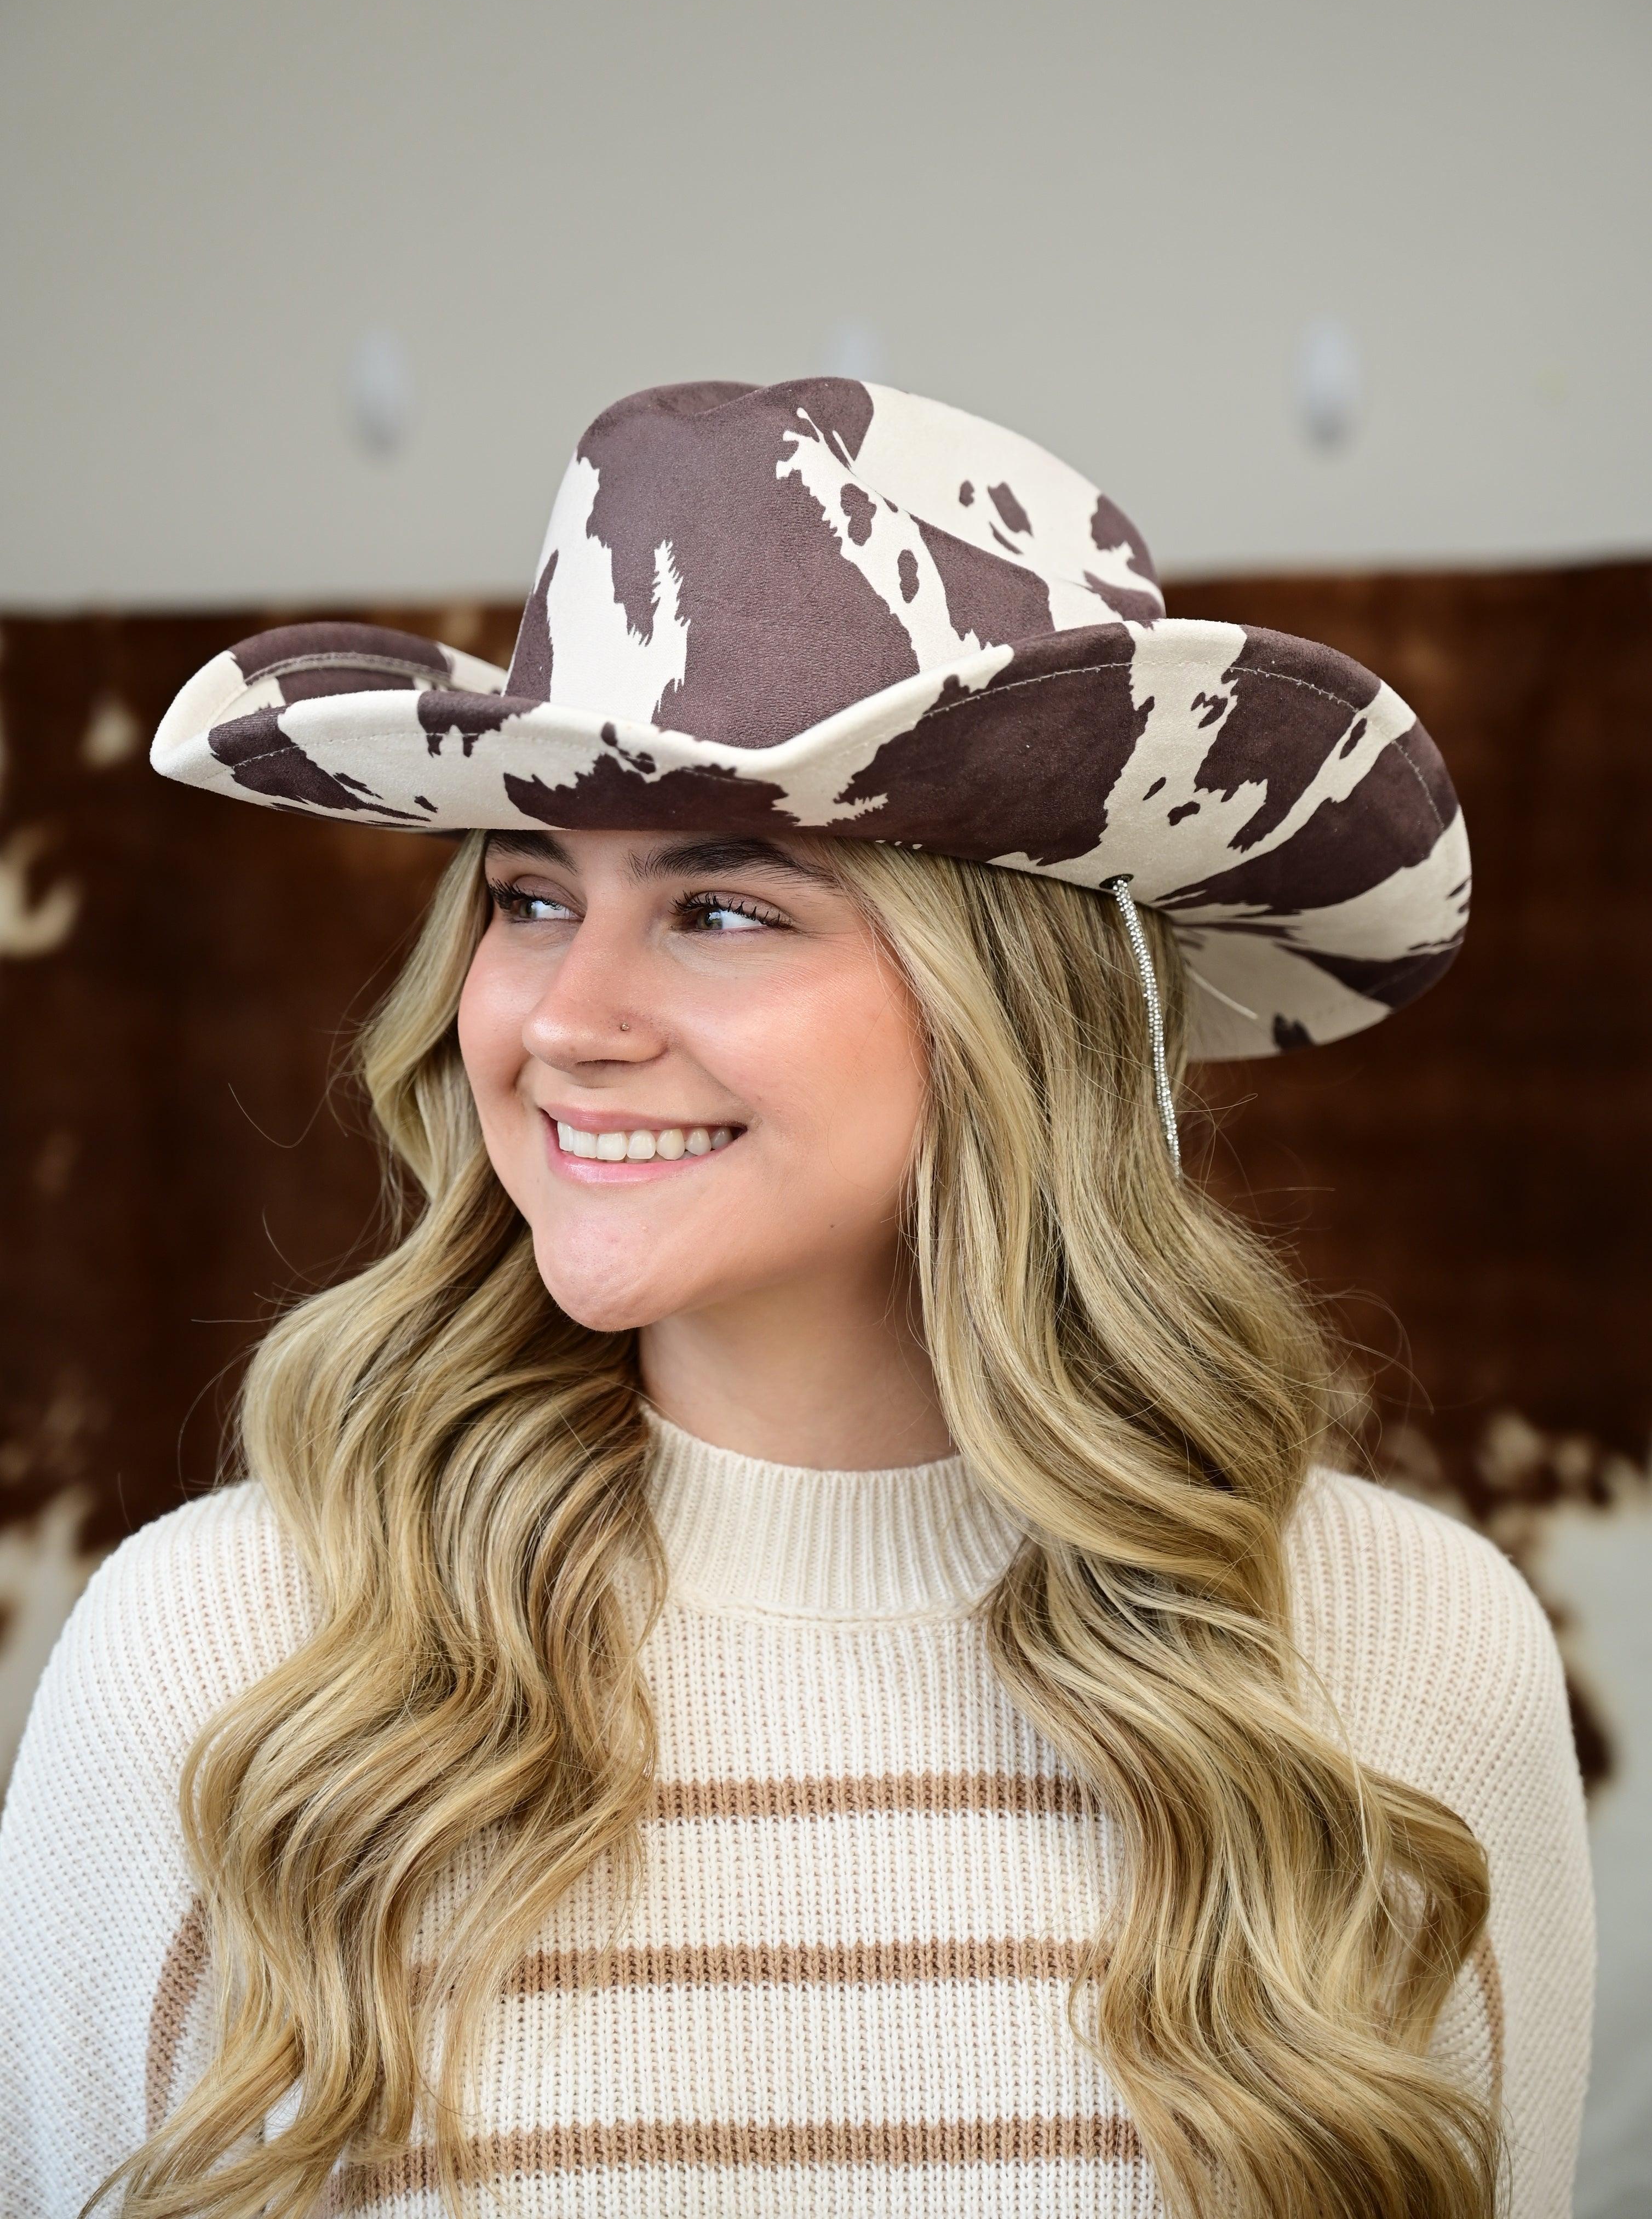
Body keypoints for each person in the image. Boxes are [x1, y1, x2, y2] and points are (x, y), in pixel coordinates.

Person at [0, 379, 1592, 2218]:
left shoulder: (1407, 1664)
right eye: (529, 897)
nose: (567, 1020)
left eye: (723, 910)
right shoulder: (221, 1664)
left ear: (1019, 1010)